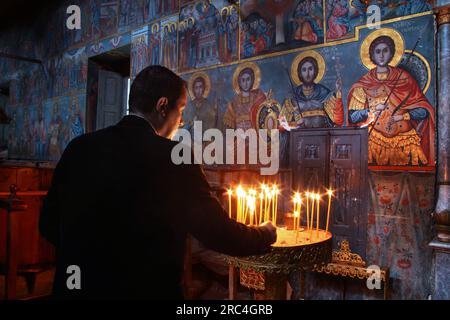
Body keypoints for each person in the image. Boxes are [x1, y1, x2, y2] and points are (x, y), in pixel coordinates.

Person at [39, 65, 276, 299]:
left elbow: (48, 224)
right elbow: (216, 232)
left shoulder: (78, 148)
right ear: (163, 106)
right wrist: (264, 233)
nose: (180, 122)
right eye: (181, 111)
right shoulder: (176, 157)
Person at [348, 35, 434, 166]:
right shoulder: (364, 83)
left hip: (405, 142)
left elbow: (424, 110)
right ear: (371, 55)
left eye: (385, 50)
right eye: (377, 51)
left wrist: (403, 116)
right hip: (374, 142)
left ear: (391, 53)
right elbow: (352, 117)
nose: (381, 55)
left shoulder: (404, 79)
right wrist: (371, 111)